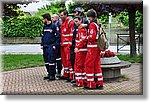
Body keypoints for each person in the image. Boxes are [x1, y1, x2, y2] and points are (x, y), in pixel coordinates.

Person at [84, 9, 104, 89]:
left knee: (89, 64)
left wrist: (85, 37)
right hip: (97, 47)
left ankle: (91, 83)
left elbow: (92, 37)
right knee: (97, 65)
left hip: (92, 47)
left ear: (90, 17)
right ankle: (99, 82)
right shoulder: (97, 24)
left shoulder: (92, 25)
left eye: (88, 17)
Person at [41, 13, 60, 81]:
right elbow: (43, 36)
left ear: (46, 19)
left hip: (51, 46)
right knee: (46, 61)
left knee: (51, 60)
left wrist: (55, 45)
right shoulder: (44, 26)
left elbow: (58, 36)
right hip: (45, 46)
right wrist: (42, 44)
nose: (42, 20)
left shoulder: (53, 26)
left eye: (43, 19)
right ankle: (49, 73)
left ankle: (52, 75)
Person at [59, 10, 74, 81]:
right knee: (64, 60)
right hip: (62, 45)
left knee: (68, 60)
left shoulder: (70, 23)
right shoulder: (62, 23)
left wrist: (70, 43)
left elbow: (71, 34)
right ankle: (66, 74)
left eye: (62, 15)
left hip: (67, 45)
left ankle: (71, 75)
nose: (60, 17)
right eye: (60, 15)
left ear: (66, 15)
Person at [73, 16, 87, 87]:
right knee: (81, 66)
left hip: (81, 50)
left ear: (80, 21)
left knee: (78, 66)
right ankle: (83, 81)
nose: (75, 23)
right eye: (74, 21)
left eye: (76, 21)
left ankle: (79, 82)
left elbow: (83, 40)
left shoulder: (82, 29)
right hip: (80, 50)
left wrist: (77, 47)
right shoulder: (80, 29)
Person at [51, 14, 62, 79]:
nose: (52, 19)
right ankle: (53, 72)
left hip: (58, 44)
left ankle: (59, 71)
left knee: (58, 58)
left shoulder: (59, 25)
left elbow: (58, 35)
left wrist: (56, 44)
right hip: (53, 44)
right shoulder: (52, 25)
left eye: (53, 17)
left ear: (56, 18)